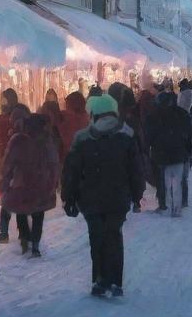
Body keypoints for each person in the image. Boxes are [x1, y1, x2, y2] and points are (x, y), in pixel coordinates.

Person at [61, 93, 145, 298]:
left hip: (90, 199)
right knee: (114, 236)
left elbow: (71, 172)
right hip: (118, 198)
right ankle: (115, 281)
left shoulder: (82, 139)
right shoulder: (126, 136)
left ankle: (99, 279)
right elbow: (136, 170)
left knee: (96, 237)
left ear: (94, 114)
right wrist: (136, 195)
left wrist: (68, 197)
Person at [0, 112, 59, 256]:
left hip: (22, 182)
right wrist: (53, 182)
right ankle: (35, 246)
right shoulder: (46, 140)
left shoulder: (18, 139)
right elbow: (53, 163)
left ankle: (25, 238)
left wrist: (5, 180)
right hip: (42, 183)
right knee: (38, 215)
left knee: (22, 211)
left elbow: (8, 162)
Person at [144, 89, 192, 217]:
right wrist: (188, 151)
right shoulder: (182, 114)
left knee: (163, 182)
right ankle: (177, 208)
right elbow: (188, 134)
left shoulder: (153, 116)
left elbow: (149, 135)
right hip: (179, 152)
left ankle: (164, 205)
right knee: (177, 182)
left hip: (161, 153)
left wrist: (147, 148)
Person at [0, 88, 20, 243]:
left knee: (15, 197)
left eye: (5, 99)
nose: (3, 102)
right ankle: (5, 231)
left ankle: (13, 231)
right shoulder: (0, 120)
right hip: (5, 162)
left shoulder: (15, 119)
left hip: (15, 162)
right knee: (7, 197)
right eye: (2, 99)